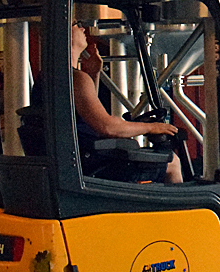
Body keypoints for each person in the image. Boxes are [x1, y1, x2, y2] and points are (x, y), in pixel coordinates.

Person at [71, 21, 183, 184]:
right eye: (76, 24)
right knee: (172, 162)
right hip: (91, 163)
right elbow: (107, 127)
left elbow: (83, 115)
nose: (83, 28)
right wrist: (151, 127)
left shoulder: (61, 77)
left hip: (82, 159)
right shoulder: (77, 79)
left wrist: (93, 74)